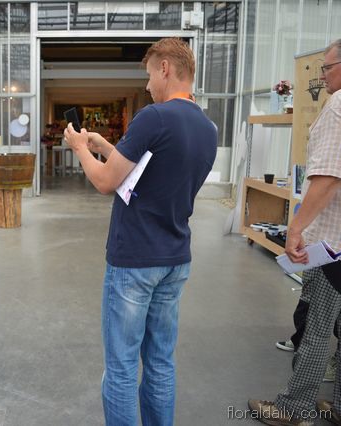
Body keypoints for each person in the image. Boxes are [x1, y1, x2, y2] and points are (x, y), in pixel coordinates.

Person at [64, 38, 217, 425]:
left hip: (135, 259)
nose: (148, 86)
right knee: (161, 362)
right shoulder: (207, 128)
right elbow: (151, 170)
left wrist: (80, 148)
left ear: (165, 68)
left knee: (121, 367)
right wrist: (104, 145)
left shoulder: (155, 117)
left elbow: (105, 181)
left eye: (150, 75)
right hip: (175, 258)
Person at [249, 39, 341, 426]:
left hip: (332, 243)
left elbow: (327, 177)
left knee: (317, 328)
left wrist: (296, 228)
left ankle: (294, 408)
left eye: (327, 67)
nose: (322, 75)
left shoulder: (337, 107)